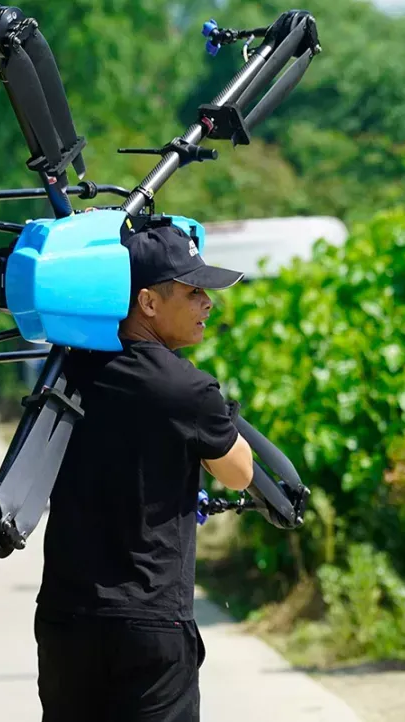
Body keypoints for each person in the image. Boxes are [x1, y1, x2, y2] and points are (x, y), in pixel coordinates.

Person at [34, 221, 257, 722]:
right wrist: (218, 413)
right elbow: (240, 472)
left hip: (65, 618)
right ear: (148, 303)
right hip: (149, 620)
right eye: (194, 291)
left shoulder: (69, 372)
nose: (208, 304)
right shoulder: (186, 390)